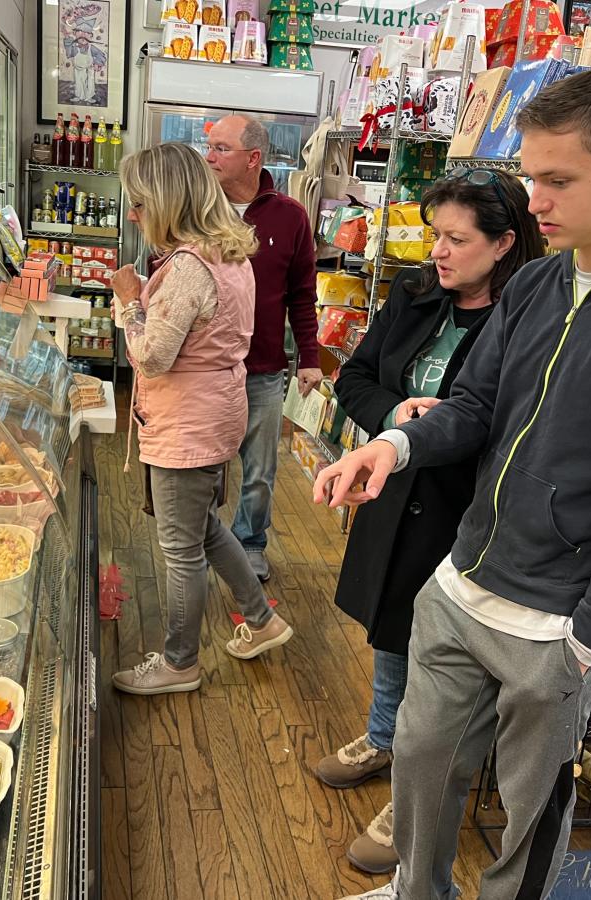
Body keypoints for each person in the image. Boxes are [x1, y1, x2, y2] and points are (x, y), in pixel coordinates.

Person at [316, 69, 591, 900]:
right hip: (460, 585)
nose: (535, 199)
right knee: (423, 772)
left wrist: (586, 639)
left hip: (555, 624)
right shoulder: (539, 282)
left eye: (558, 179)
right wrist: (394, 446)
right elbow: (473, 406)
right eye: (531, 175)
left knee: (530, 821)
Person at [318, 170, 543, 876]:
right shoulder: (413, 295)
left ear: (505, 243)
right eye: (433, 234)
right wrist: (394, 419)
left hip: (466, 513)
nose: (438, 252)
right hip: (395, 491)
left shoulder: (530, 317)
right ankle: (384, 737)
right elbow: (353, 377)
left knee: (444, 662)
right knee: (392, 629)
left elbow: (504, 423)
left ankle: (414, 793)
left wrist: (435, 432)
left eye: (456, 238)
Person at [109, 142, 294, 696]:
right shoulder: (230, 252)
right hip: (216, 412)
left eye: (140, 204)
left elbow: (152, 354)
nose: (135, 215)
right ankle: (261, 619)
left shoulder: (189, 266)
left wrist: (127, 301)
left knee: (180, 548)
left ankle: (179, 662)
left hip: (185, 423)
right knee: (204, 528)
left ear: (167, 201)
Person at [205, 114, 321, 583]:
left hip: (265, 370)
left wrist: (309, 357)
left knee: (258, 471)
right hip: (206, 371)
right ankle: (202, 539)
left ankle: (251, 543)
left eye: (220, 148)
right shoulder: (197, 209)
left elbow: (302, 294)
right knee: (204, 466)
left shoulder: (290, 217)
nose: (209, 156)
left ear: (253, 158)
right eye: (208, 147)